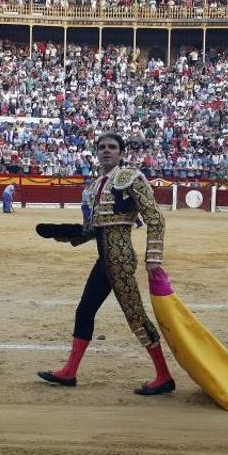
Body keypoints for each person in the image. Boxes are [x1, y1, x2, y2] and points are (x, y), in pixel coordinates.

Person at [38, 132, 175, 395]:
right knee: (84, 310)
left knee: (135, 316)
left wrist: (153, 258)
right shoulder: (96, 185)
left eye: (112, 147)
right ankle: (69, 372)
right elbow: (93, 228)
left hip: (121, 259)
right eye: (102, 147)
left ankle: (164, 376)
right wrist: (65, 234)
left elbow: (156, 218)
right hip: (105, 259)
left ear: (122, 153)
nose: (106, 151)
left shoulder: (131, 178)